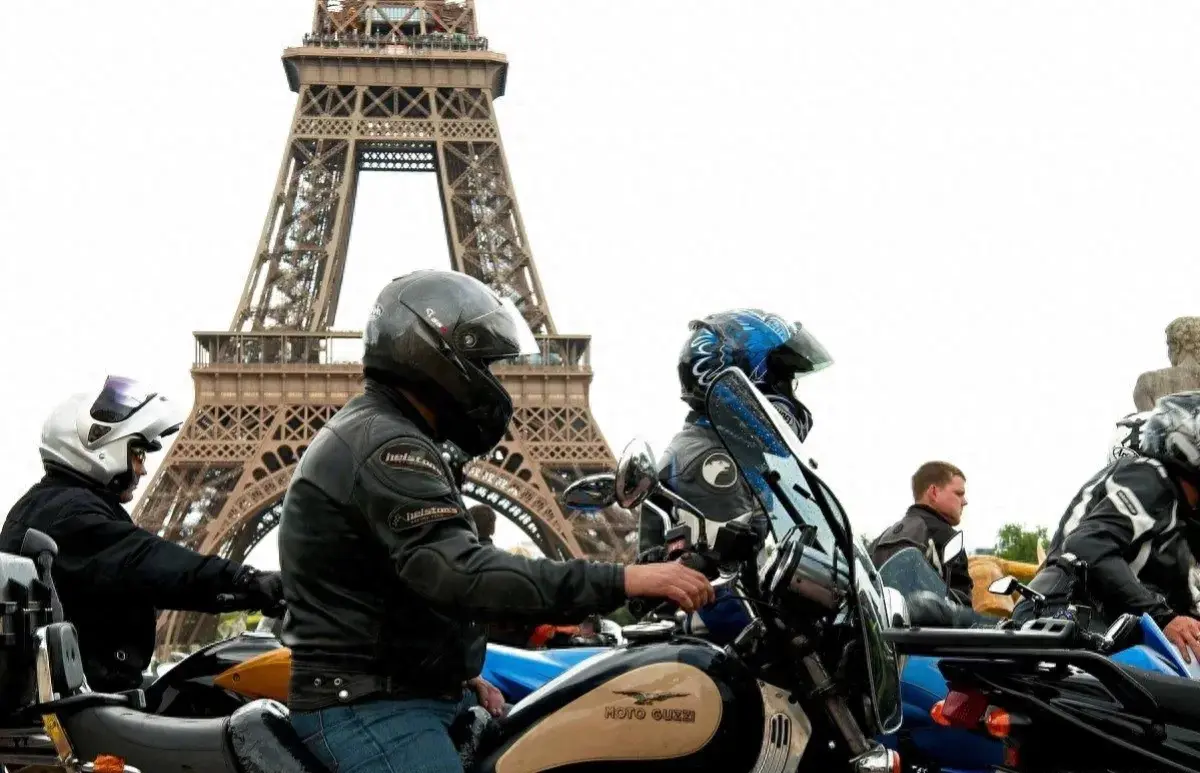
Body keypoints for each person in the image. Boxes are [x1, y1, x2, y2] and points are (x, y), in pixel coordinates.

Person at [279, 269, 714, 773]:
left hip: (402, 692)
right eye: (484, 363)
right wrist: (626, 578)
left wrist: (451, 676)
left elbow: (397, 587)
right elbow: (462, 572)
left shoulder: (386, 432)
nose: (492, 379)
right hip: (371, 707)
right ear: (437, 354)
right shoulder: (387, 445)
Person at [0, 377, 285, 693]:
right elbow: (149, 561)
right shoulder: (69, 512)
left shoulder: (51, 504)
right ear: (98, 444)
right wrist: (246, 580)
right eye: (137, 454)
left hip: (82, 688)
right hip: (89, 696)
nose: (142, 469)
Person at [1013, 392, 1200, 663]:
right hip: (1061, 612)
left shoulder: (1181, 511)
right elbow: (1087, 545)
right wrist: (1163, 617)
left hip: (1098, 621)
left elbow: (1184, 601)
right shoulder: (1150, 477)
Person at [639, 308, 834, 556]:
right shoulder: (712, 464)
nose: (790, 395)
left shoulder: (719, 450)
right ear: (744, 379)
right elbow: (725, 576)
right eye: (782, 380)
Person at [869, 461, 973, 606]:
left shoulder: (880, 539)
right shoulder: (948, 538)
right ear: (934, 492)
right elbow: (962, 608)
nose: (965, 501)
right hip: (925, 621)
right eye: (959, 493)